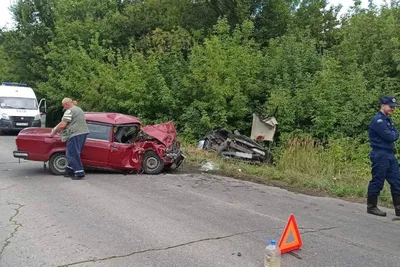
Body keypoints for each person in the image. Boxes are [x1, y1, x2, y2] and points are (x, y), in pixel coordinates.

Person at [367, 96, 400, 217]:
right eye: (391, 106)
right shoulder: (378, 120)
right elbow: (391, 136)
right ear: (383, 105)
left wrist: (394, 134)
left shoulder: (388, 119)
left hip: (390, 154)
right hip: (380, 153)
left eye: (394, 107)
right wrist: (394, 134)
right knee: (378, 180)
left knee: (397, 181)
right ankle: (371, 206)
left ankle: (398, 208)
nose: (393, 109)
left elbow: (396, 133)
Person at [49, 98, 89, 180]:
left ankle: (79, 173)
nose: (64, 108)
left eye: (64, 106)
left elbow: (62, 125)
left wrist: (53, 132)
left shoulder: (69, 111)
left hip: (75, 134)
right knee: (74, 152)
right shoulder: (79, 109)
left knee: (72, 154)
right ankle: (69, 171)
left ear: (66, 104)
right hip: (83, 133)